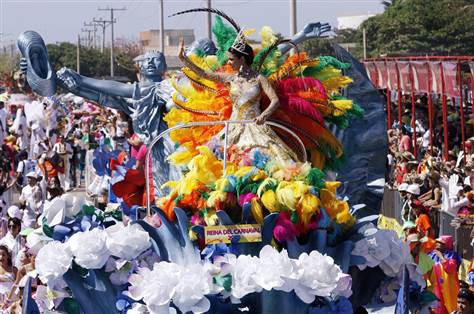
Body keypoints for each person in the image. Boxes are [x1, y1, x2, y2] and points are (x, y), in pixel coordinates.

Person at [178, 36, 296, 162]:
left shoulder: (260, 79)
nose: (228, 62)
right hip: (232, 128)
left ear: (242, 59)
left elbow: (275, 100)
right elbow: (204, 74)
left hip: (255, 127)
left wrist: (264, 115)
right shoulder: (229, 78)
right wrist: (183, 59)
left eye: (231, 59)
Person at [428, 235, 462, 314]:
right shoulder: (432, 254)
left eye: (440, 242)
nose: (437, 243)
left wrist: (441, 257)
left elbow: (450, 269)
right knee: (437, 308)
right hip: (436, 287)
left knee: (451, 308)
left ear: (446, 244)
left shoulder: (452, 255)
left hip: (449, 287)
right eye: (437, 242)